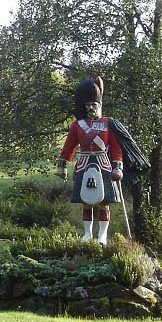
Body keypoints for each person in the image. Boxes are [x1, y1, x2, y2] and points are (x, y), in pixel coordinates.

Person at [56, 77, 124, 245]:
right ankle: (87, 233)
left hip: (104, 164)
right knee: (86, 202)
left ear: (100, 105)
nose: (91, 108)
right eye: (88, 105)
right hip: (84, 164)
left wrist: (118, 167)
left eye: (94, 105)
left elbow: (116, 148)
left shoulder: (109, 124)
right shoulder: (77, 126)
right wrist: (63, 165)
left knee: (104, 203)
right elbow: (69, 147)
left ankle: (102, 235)